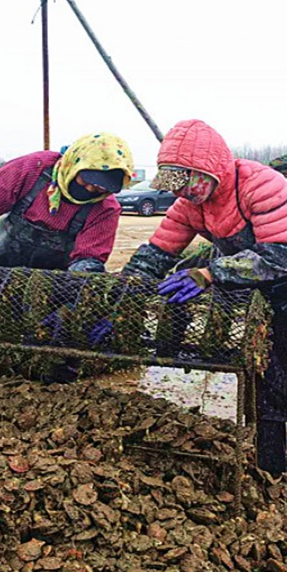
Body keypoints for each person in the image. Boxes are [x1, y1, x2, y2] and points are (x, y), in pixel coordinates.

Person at [123, 119, 287, 476]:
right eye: (175, 184)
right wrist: (121, 298)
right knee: (264, 381)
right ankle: (269, 466)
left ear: (211, 171)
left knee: (279, 377)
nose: (182, 192)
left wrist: (211, 274)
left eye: (187, 181)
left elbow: (280, 257)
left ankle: (275, 471)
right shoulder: (189, 205)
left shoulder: (262, 185)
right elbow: (157, 252)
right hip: (256, 293)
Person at [0, 132, 135, 383]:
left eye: (100, 188)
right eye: (87, 181)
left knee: (61, 336)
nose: (90, 190)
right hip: (1, 267)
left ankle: (54, 390)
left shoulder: (105, 209)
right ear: (74, 164)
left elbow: (88, 260)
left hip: (57, 281)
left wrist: (81, 304)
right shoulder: (33, 169)